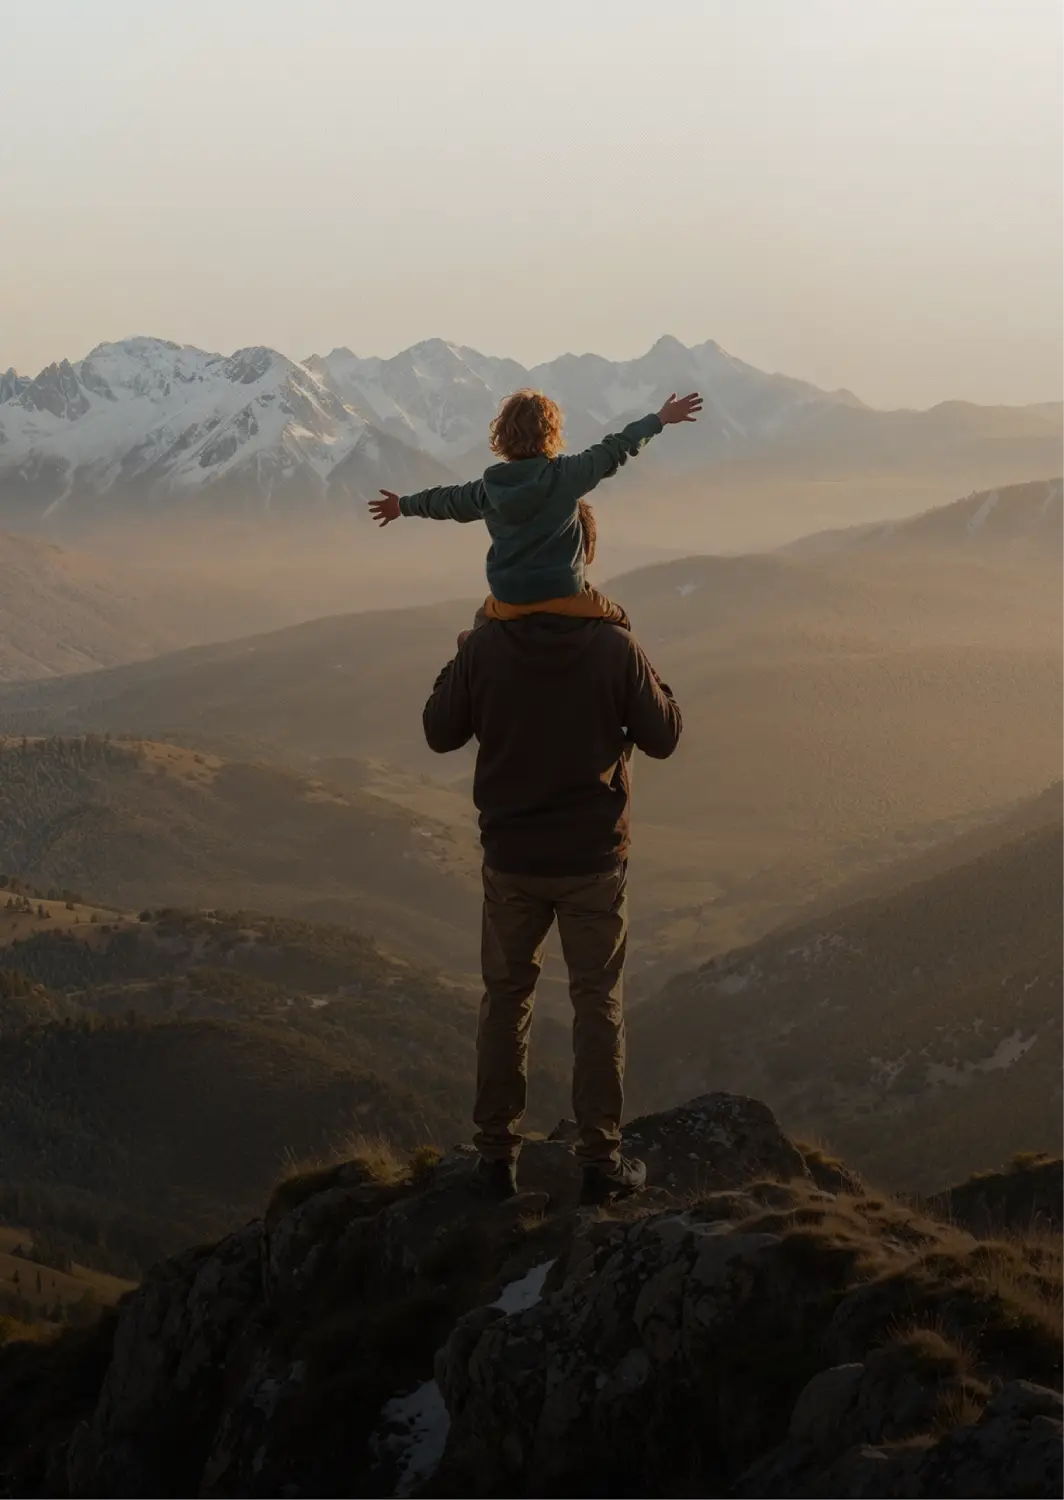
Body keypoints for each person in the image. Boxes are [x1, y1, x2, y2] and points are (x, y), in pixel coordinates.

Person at [421, 605, 682, 1206]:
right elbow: (664, 736)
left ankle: (494, 1160)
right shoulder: (615, 643)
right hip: (592, 859)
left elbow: (439, 731)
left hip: (512, 856)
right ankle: (600, 1162)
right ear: (581, 554)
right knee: (597, 1003)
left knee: (507, 1000)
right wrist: (649, 671)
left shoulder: (487, 642)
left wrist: (460, 654)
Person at [368, 388, 703, 631]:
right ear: (551, 434)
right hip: (565, 593)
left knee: (476, 631)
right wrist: (660, 419)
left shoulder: (487, 490)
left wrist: (402, 505)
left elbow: (446, 501)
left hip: (509, 599)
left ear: (501, 437)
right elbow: (617, 447)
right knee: (619, 623)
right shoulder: (567, 475)